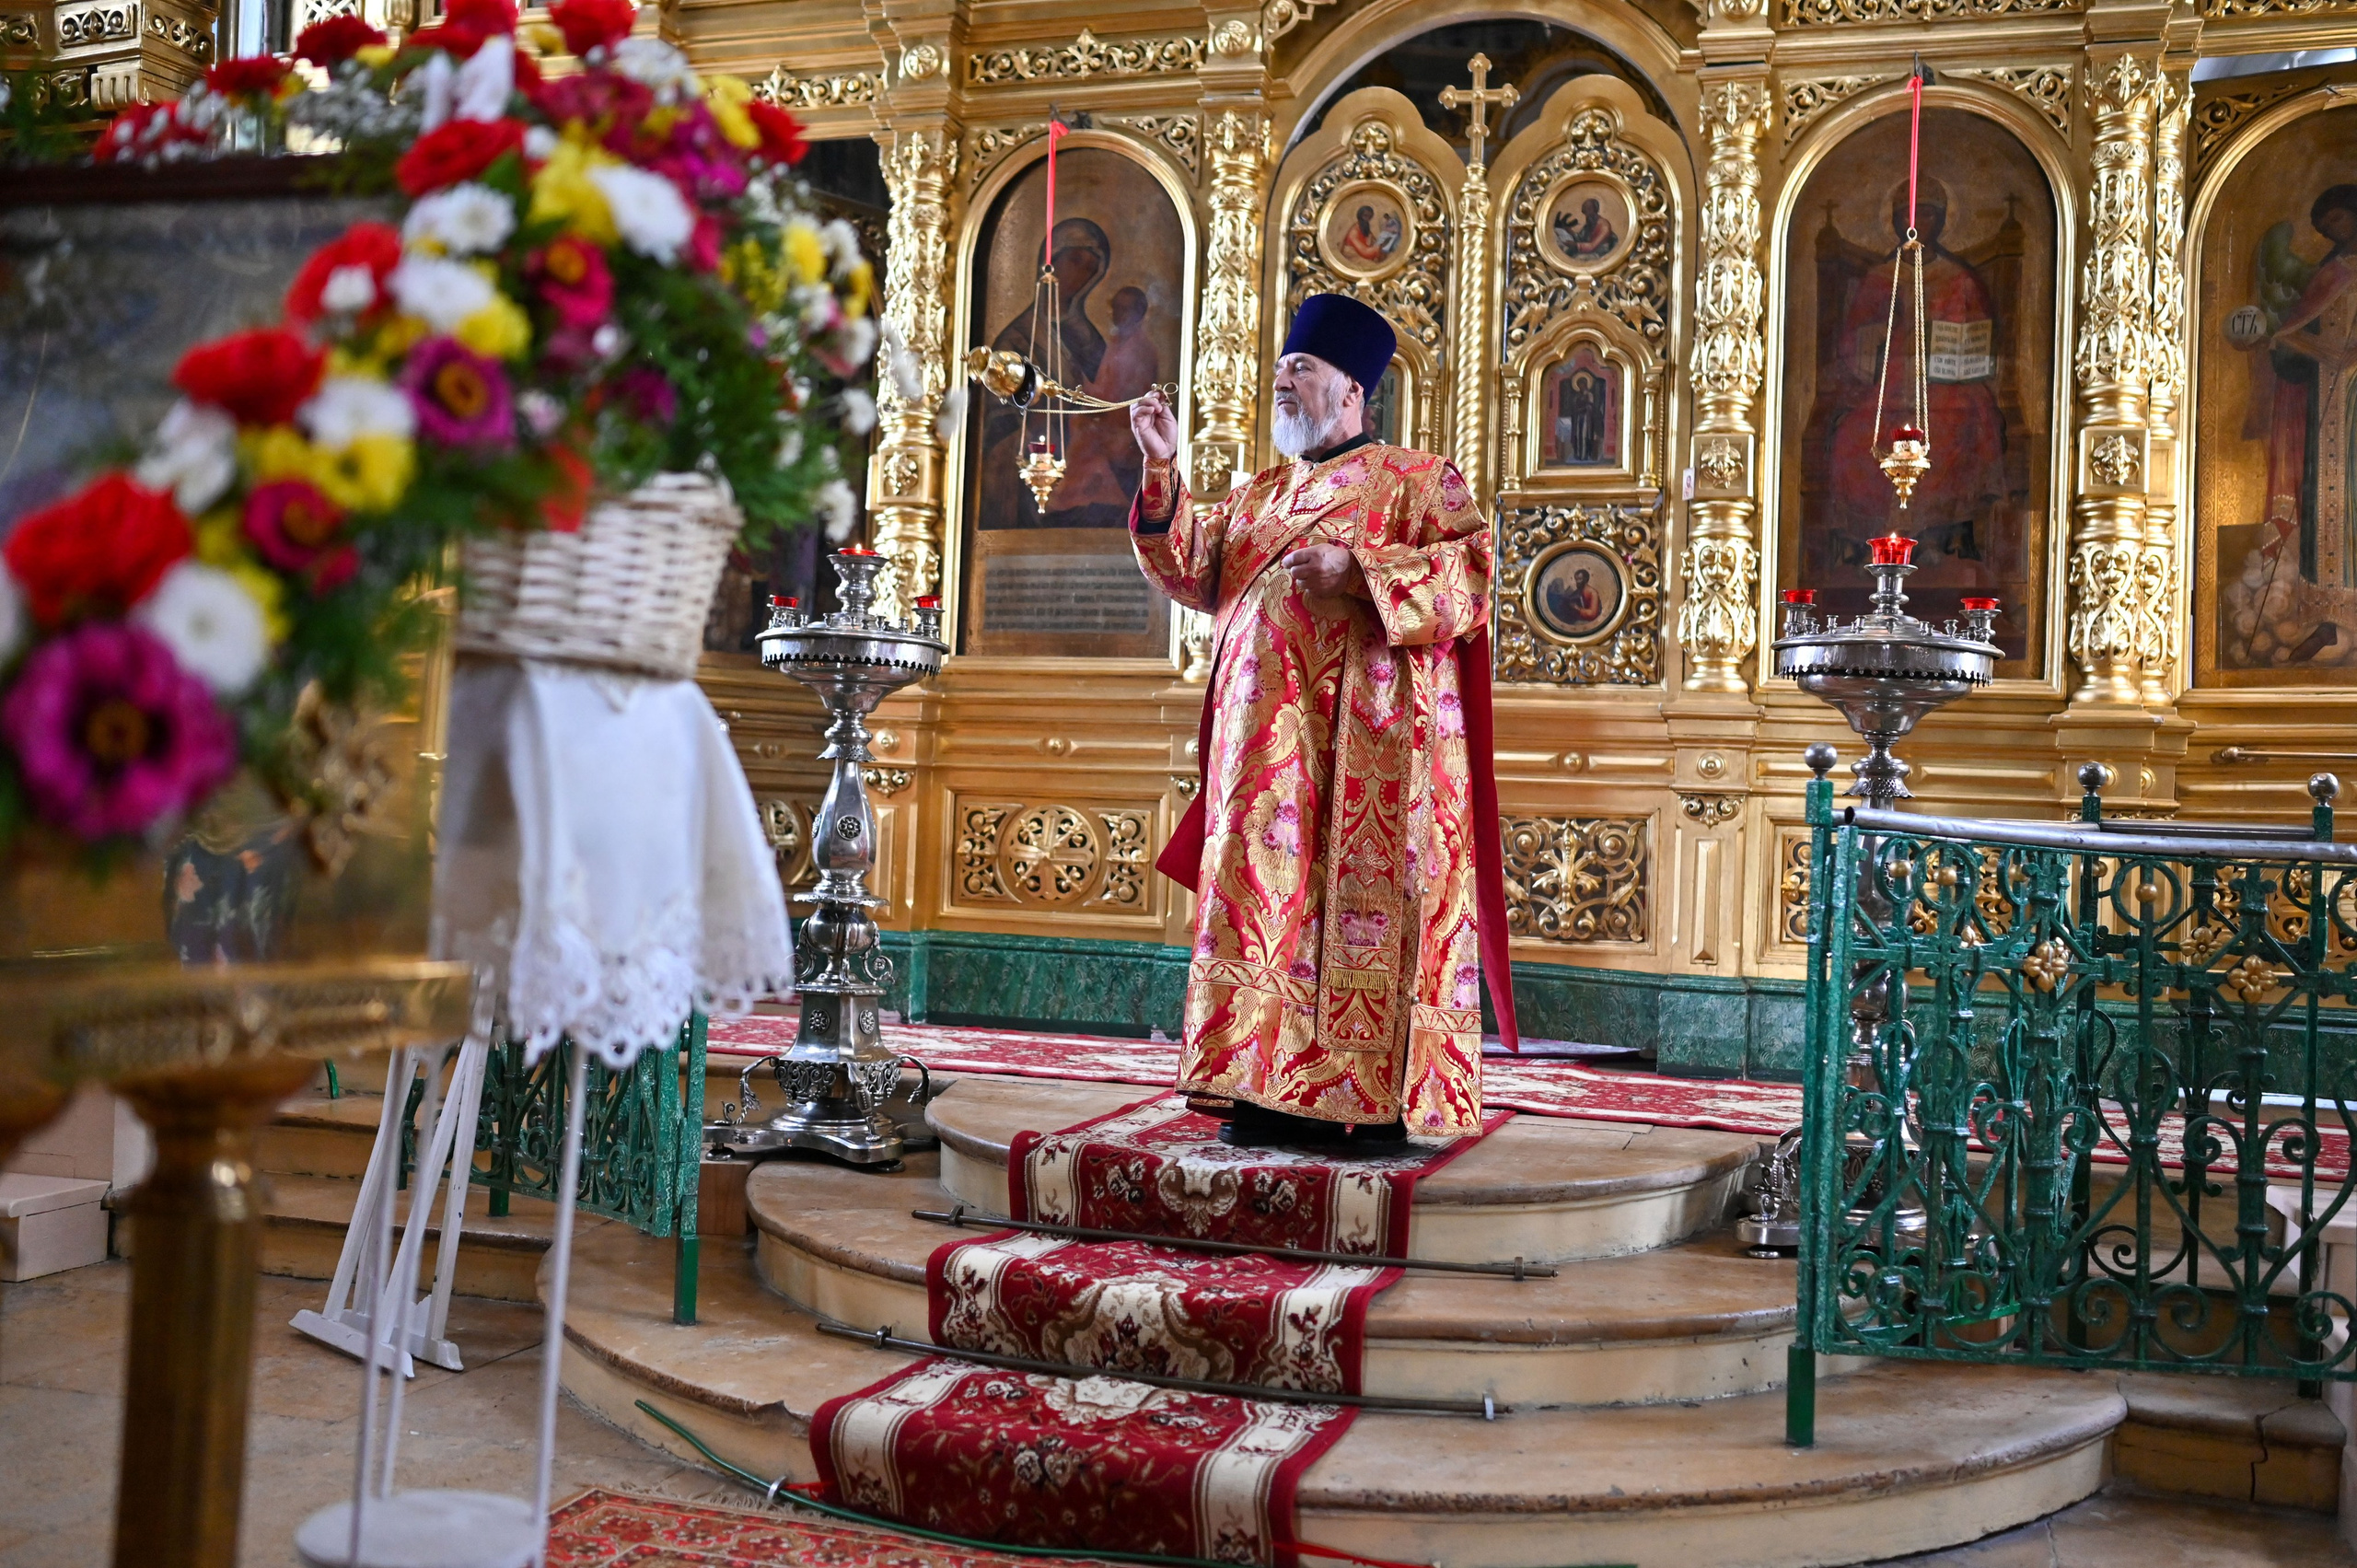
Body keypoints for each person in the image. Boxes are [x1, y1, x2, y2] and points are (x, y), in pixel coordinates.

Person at [1125, 292, 1518, 1146]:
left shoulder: (1420, 480)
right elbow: (1190, 569)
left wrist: (1363, 571)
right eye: (1278, 372)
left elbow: (1476, 579)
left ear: (1351, 391)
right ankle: (1257, 1087)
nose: (1282, 385)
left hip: (1375, 750)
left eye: (1299, 370)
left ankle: (1367, 1106)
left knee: (1360, 921)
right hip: (1264, 759)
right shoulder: (1259, 496)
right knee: (1265, 912)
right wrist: (1163, 471)